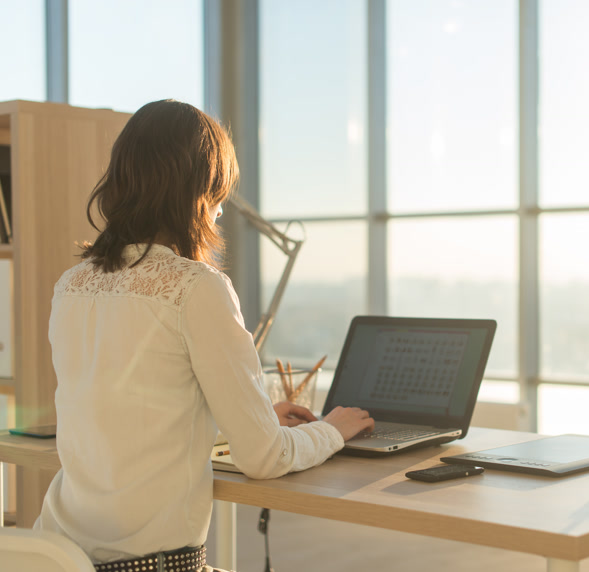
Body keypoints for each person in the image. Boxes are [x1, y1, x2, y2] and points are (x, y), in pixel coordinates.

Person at [34, 99, 375, 572]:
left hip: (53, 558)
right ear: (196, 193)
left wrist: (242, 419)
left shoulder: (71, 286)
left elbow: (134, 417)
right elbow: (264, 458)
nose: (219, 211)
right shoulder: (195, 287)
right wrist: (332, 430)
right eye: (217, 194)